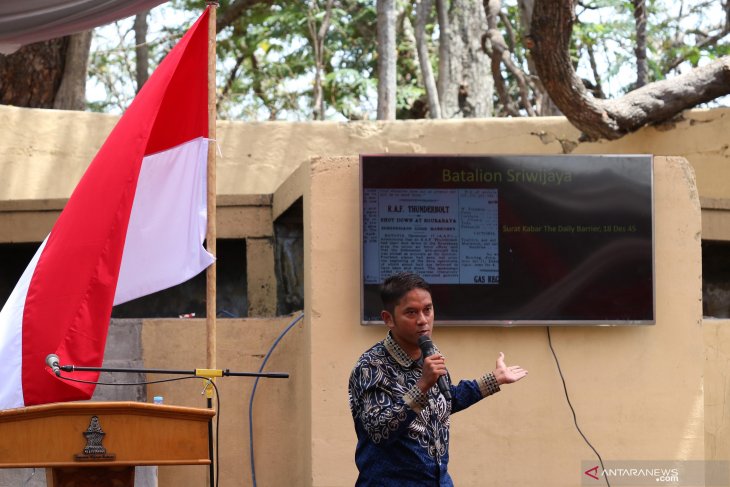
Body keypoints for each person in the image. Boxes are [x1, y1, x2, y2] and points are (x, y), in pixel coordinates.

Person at [348, 272, 528, 486]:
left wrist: (494, 379)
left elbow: (445, 399)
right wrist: (422, 386)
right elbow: (380, 431)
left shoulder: (429, 353)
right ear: (388, 319)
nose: (423, 320)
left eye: (428, 309)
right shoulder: (371, 366)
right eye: (411, 312)